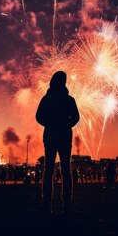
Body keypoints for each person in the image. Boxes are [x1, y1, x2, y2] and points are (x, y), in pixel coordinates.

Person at [36, 71, 80, 214]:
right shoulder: (69, 100)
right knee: (66, 170)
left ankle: (46, 203)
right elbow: (76, 118)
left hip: (50, 134)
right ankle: (66, 204)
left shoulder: (47, 98)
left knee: (48, 170)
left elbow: (39, 116)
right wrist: (66, 125)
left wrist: (49, 123)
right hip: (64, 135)